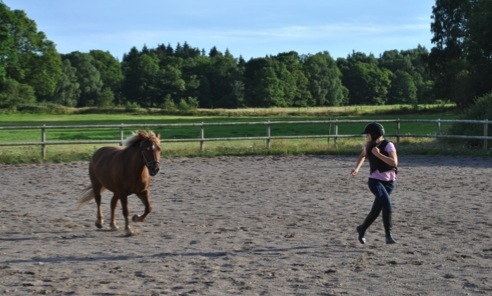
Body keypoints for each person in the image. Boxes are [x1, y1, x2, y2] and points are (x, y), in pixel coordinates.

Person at [350, 122, 398, 244]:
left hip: (389, 183)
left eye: (368, 134)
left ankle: (362, 229)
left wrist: (378, 154)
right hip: (375, 181)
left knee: (376, 210)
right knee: (387, 205)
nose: (366, 136)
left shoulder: (388, 145)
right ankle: (388, 235)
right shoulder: (368, 146)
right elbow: (362, 156)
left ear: (375, 134)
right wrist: (357, 169)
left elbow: (394, 163)